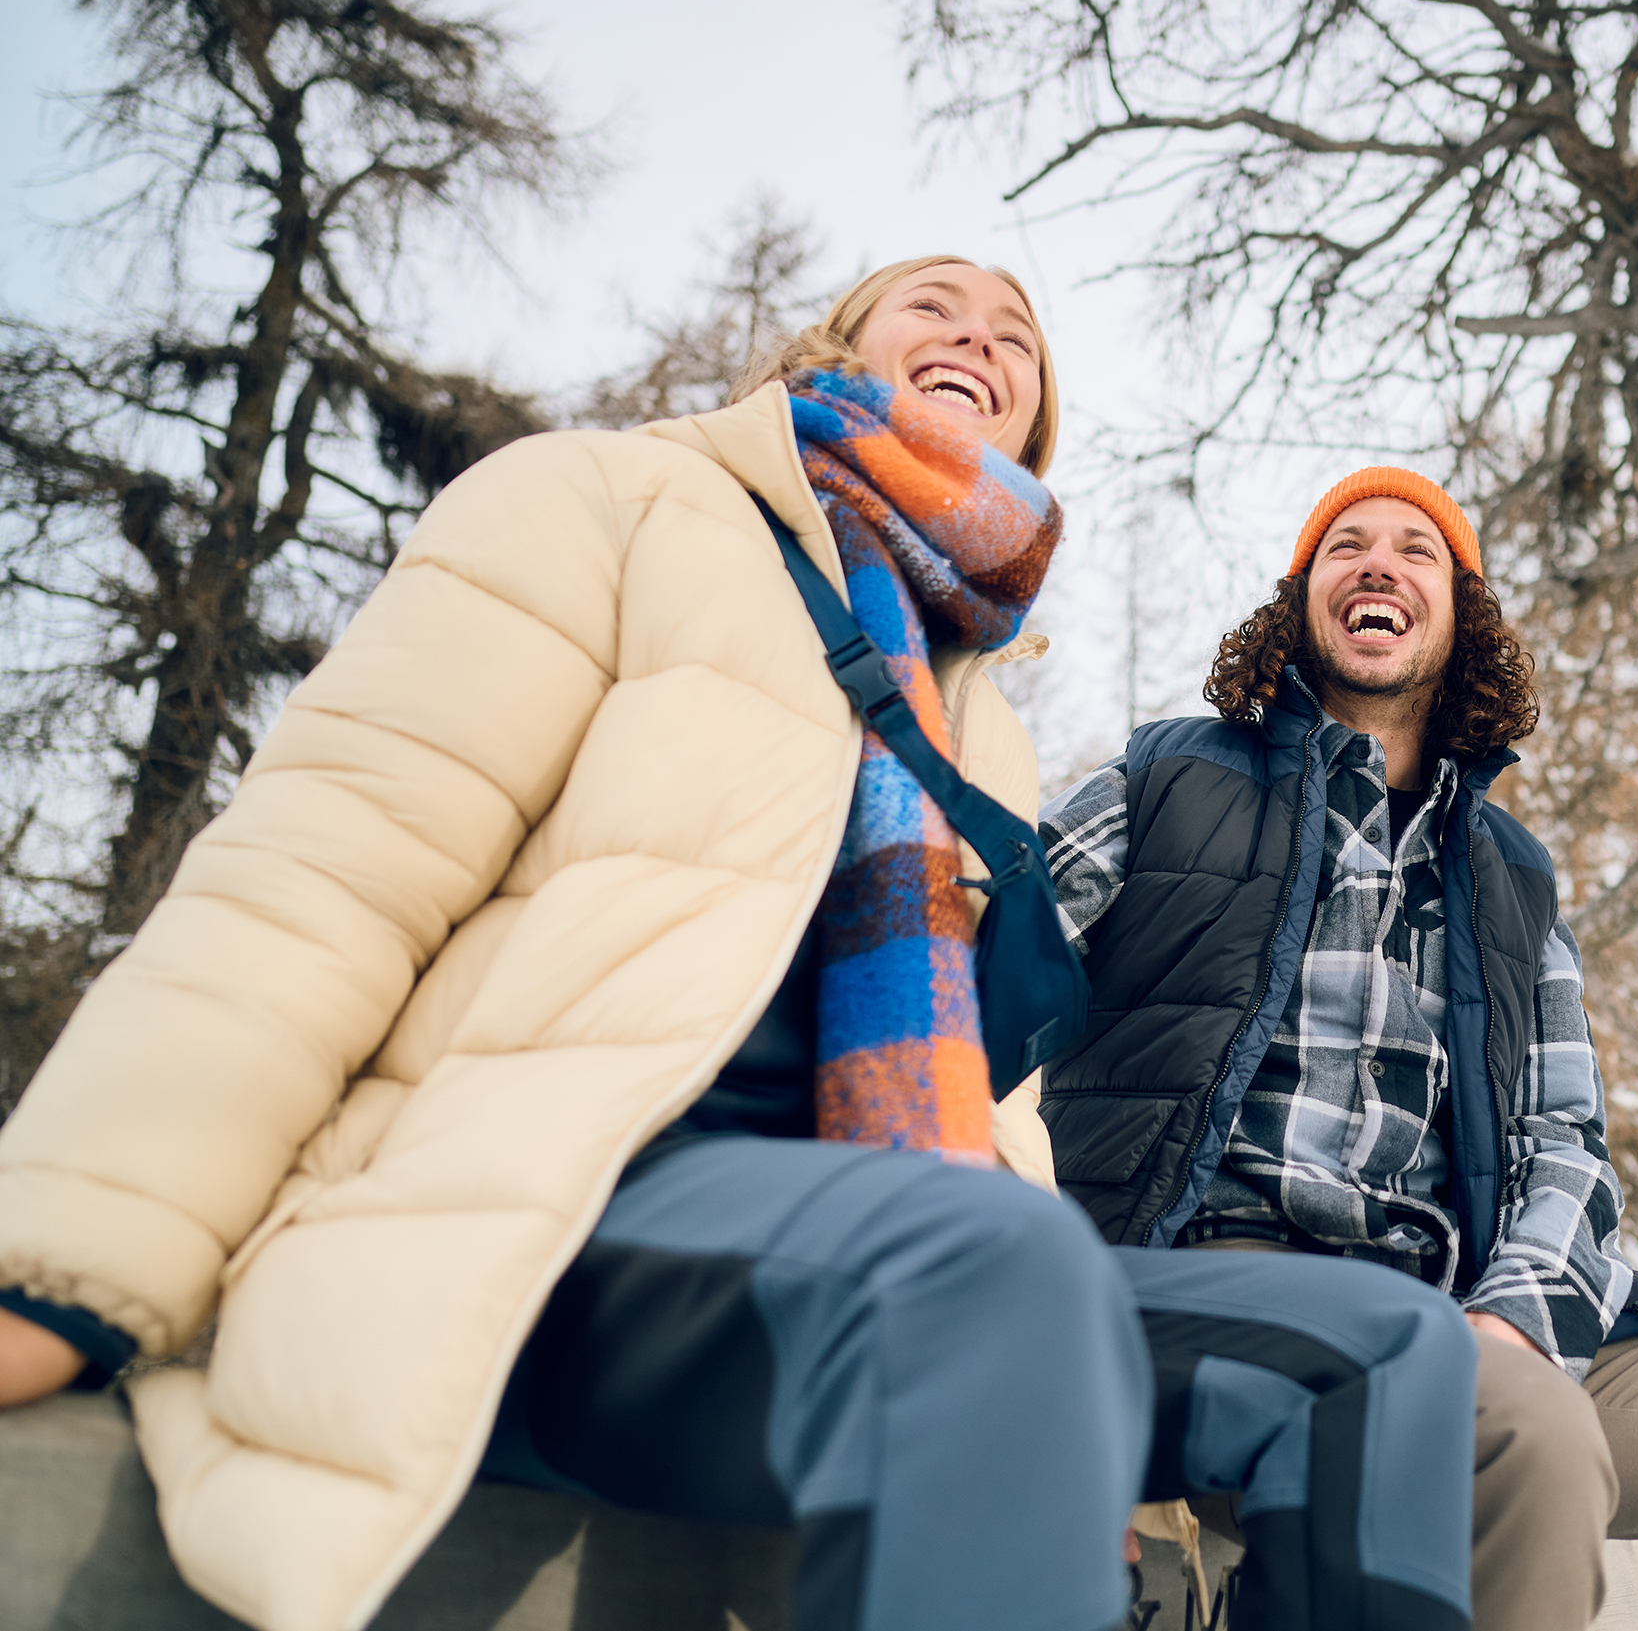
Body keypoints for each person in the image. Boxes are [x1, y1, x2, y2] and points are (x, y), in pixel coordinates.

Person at [0, 266, 1474, 1631]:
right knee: (993, 1273)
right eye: (935, 307)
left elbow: (988, 1116)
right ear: (832, 348)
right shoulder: (605, 500)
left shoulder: (983, 725)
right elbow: (322, 878)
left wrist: (1065, 1404)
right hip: (545, 1213)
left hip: (896, 1236)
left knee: (1385, 1357)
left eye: (1016, 341)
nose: (979, 338)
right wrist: (67, 1269)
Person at [1038, 468, 1638, 1630]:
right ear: (1298, 602)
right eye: (1343, 545)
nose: (1376, 562)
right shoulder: (1167, 780)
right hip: (1220, 1289)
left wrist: (1511, 1319)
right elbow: (979, 963)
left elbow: (1565, 1141)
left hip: (1467, 1313)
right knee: (1519, 1427)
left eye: (1416, 550)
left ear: (1459, 617)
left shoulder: (1511, 875)